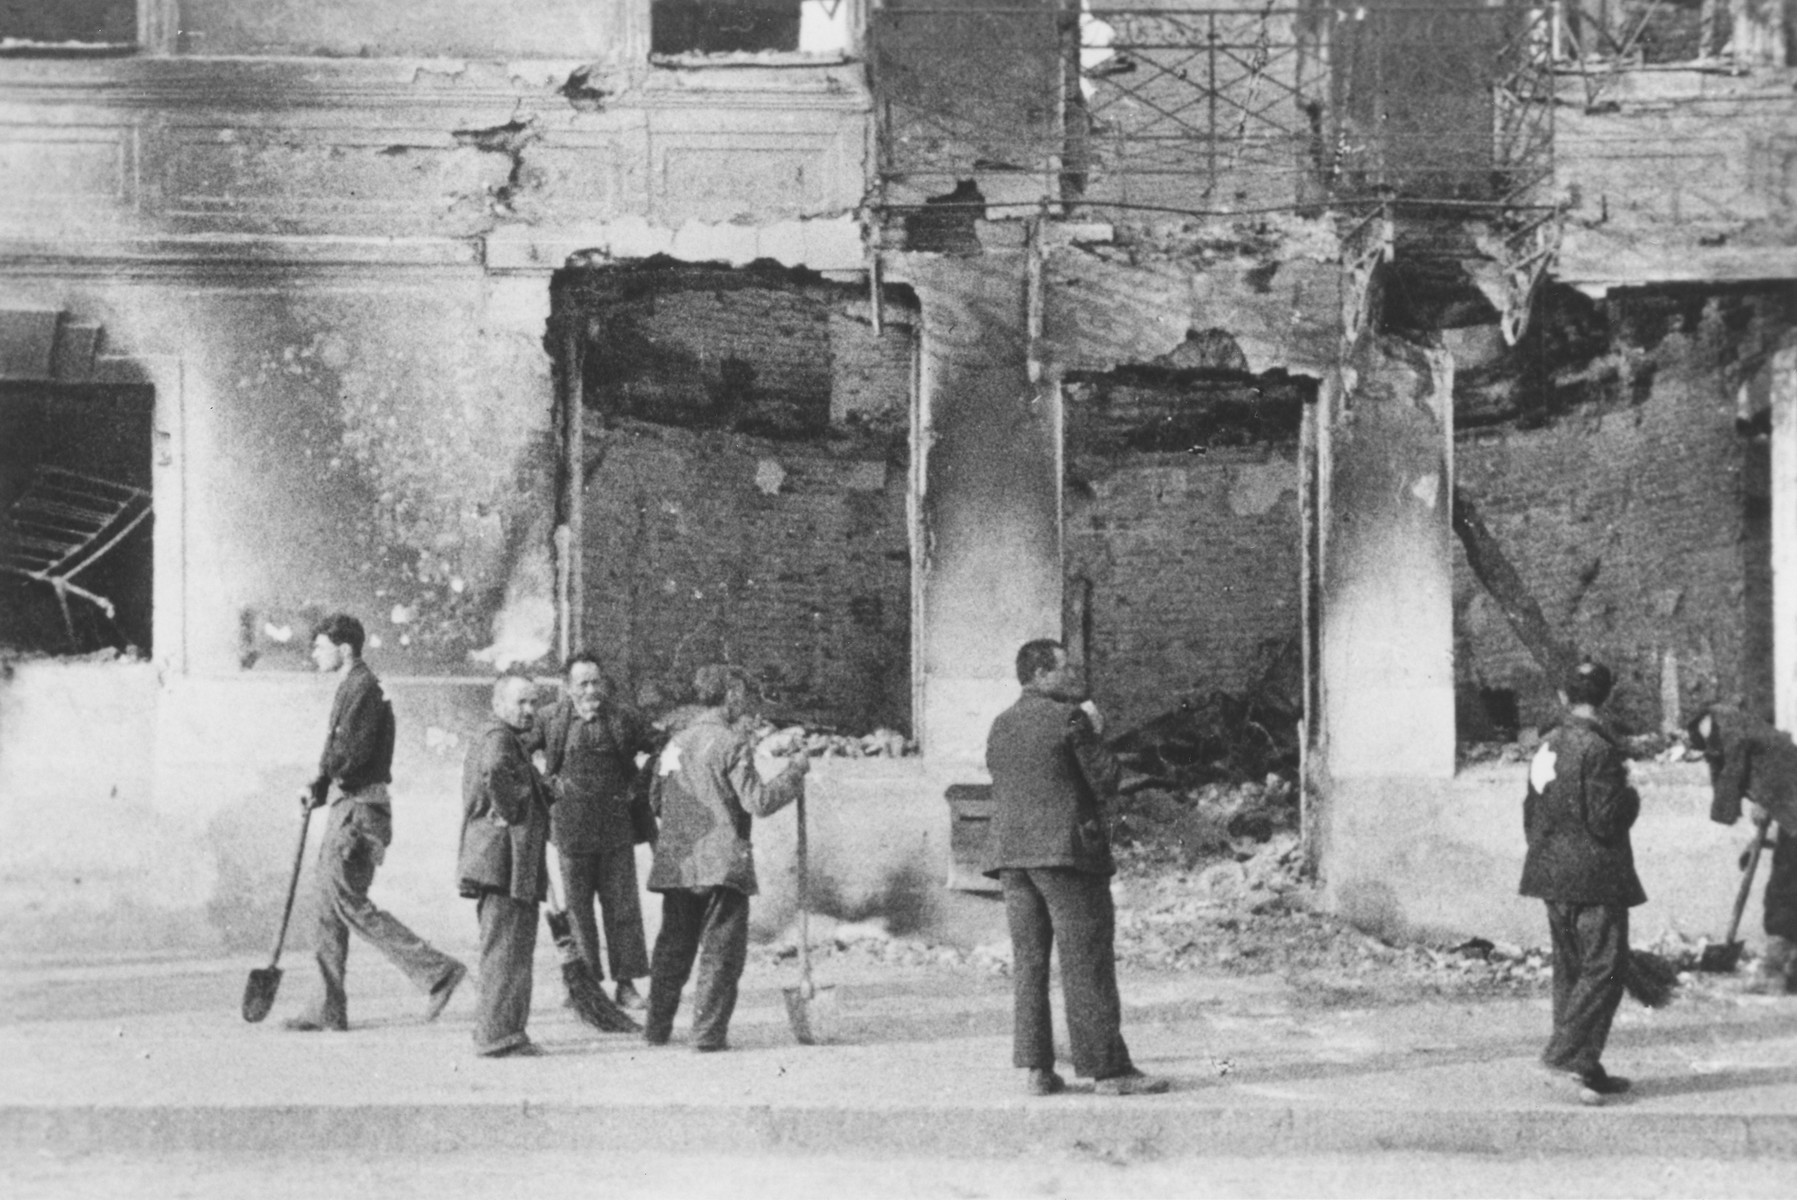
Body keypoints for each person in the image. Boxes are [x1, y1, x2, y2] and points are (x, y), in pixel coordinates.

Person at [983, 639, 1168, 1097]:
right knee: (1086, 961)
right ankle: (1108, 1071)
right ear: (1041, 674)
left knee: (1030, 965)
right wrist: (1096, 731)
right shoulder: (1071, 718)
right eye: (1064, 667)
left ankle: (1037, 1070)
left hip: (1012, 858)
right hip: (1067, 855)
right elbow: (1106, 780)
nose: (1072, 673)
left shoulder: (1000, 724)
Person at [284, 613, 466, 1032]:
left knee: (346, 902)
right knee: (328, 908)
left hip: (359, 810)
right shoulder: (354, 686)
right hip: (350, 806)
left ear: (344, 649)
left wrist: (324, 780)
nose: (314, 653)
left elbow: (355, 754)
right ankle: (326, 1008)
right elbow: (343, 752)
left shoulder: (363, 688)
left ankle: (437, 971)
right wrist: (320, 783)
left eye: (320, 646)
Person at [643, 664, 808, 1052]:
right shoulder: (731, 744)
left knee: (672, 949)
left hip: (679, 866)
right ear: (730, 696)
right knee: (721, 955)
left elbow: (654, 800)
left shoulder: (674, 744)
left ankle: (655, 1030)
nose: (746, 705)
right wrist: (795, 773)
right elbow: (759, 801)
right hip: (723, 868)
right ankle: (707, 1034)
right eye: (743, 697)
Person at [1519, 660, 1646, 1105]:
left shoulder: (1546, 745)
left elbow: (1529, 813)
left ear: (1562, 696)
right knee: (1604, 969)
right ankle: (1564, 1058)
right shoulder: (1600, 750)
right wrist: (1631, 795)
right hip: (1595, 878)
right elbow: (1606, 820)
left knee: (1571, 970)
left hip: (1551, 874)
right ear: (1606, 696)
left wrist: (1550, 856)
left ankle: (1584, 1067)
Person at [530, 652, 658, 1010]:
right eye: (583, 683)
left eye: (596, 681)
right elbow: (517, 752)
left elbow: (661, 748)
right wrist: (541, 786)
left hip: (616, 828)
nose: (591, 690)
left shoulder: (624, 717)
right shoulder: (550, 719)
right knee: (578, 912)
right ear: (568, 688)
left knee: (622, 908)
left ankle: (627, 984)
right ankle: (586, 986)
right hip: (570, 831)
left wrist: (641, 785)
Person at [457, 673, 554, 1058]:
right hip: (503, 862)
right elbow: (497, 771)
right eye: (521, 702)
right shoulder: (499, 739)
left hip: (501, 860)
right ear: (498, 704)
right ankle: (499, 1036)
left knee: (506, 947)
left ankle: (499, 1029)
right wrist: (518, 804)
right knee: (506, 949)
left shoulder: (503, 737)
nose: (530, 710)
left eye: (534, 702)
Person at [1689, 704, 1797, 995]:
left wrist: (1765, 801)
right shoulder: (1746, 729)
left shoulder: (1731, 731)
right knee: (1787, 888)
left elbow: (1767, 775)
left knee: (1783, 892)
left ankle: (1774, 972)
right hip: (1792, 818)